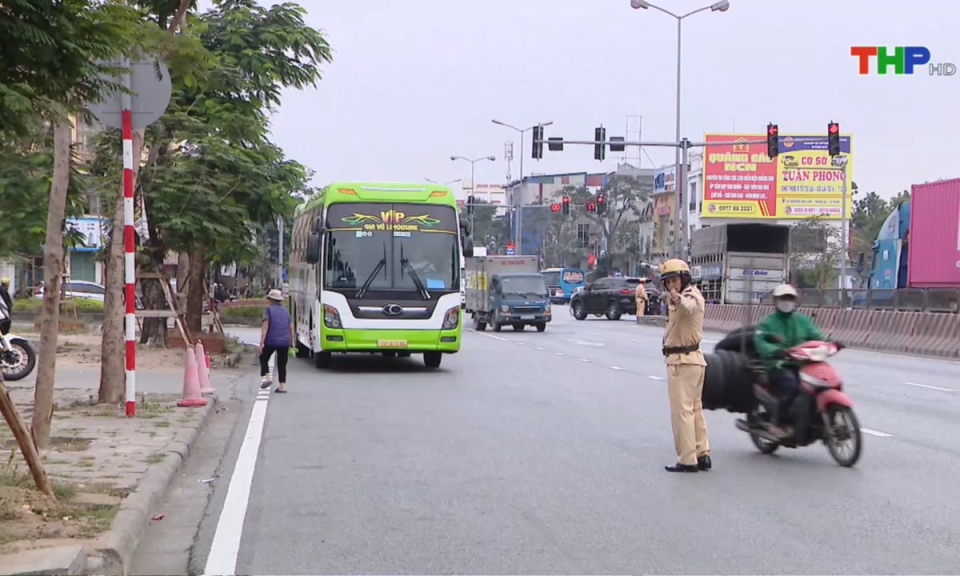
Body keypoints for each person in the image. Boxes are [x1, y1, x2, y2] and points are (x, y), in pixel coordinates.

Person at [754, 283, 826, 438]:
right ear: (776, 301)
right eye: (783, 298)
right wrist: (775, 351)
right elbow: (760, 341)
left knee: (821, 382)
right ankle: (780, 423)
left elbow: (816, 335)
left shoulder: (802, 320)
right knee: (791, 386)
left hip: (803, 364)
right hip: (779, 365)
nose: (787, 301)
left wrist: (830, 343)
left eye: (790, 298)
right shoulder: (768, 322)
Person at [659, 259, 711, 473]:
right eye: (668, 282)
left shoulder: (689, 297)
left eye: (674, 280)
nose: (671, 285)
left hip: (683, 362)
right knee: (695, 409)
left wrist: (677, 298)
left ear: (684, 279)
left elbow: (687, 307)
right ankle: (702, 453)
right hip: (693, 361)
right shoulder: (691, 295)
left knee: (682, 412)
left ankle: (688, 459)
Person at [259, 289, 294, 394]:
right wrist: (292, 342)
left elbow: (265, 327)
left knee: (263, 357)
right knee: (282, 364)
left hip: (271, 340)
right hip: (285, 341)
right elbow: (291, 327)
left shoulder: (268, 310)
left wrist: (261, 343)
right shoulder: (286, 311)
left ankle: (268, 377)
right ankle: (282, 386)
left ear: (271, 299)